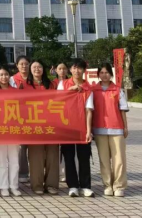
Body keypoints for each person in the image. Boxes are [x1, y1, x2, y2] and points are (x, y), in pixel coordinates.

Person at [58, 59, 94, 198]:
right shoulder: (63, 84)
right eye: (74, 68)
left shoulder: (88, 87)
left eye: (79, 68)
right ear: (70, 69)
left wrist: (89, 131)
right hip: (67, 126)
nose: (76, 71)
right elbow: (57, 101)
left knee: (84, 157)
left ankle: (85, 186)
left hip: (82, 127)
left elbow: (89, 110)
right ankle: (72, 185)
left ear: (84, 70)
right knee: (68, 157)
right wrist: (70, 90)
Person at [92, 62, 129, 198]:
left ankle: (118, 186)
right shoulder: (93, 91)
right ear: (98, 75)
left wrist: (125, 127)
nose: (104, 75)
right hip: (99, 130)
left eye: (106, 72)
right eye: (101, 73)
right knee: (104, 160)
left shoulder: (117, 90)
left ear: (111, 74)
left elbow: (123, 110)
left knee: (119, 159)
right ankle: (107, 185)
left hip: (116, 129)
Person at [27, 60, 59, 195]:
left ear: (43, 69)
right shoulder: (25, 86)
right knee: (36, 156)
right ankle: (37, 185)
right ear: (30, 69)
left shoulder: (51, 85)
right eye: (34, 67)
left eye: (39, 67)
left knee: (52, 155)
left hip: (51, 125)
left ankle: (51, 184)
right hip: (33, 126)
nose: (37, 69)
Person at [0, 66, 21, 197]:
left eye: (6, 74)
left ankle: (14, 186)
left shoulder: (16, 92)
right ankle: (4, 186)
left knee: (14, 160)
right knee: (1, 160)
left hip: (13, 129)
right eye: (1, 74)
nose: (4, 77)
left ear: (9, 76)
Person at [10, 55, 31, 183]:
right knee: (21, 146)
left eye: (26, 63)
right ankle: (23, 172)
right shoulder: (12, 79)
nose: (24, 66)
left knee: (34, 146)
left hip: (34, 116)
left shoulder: (33, 78)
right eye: (21, 64)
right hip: (18, 117)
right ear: (17, 65)